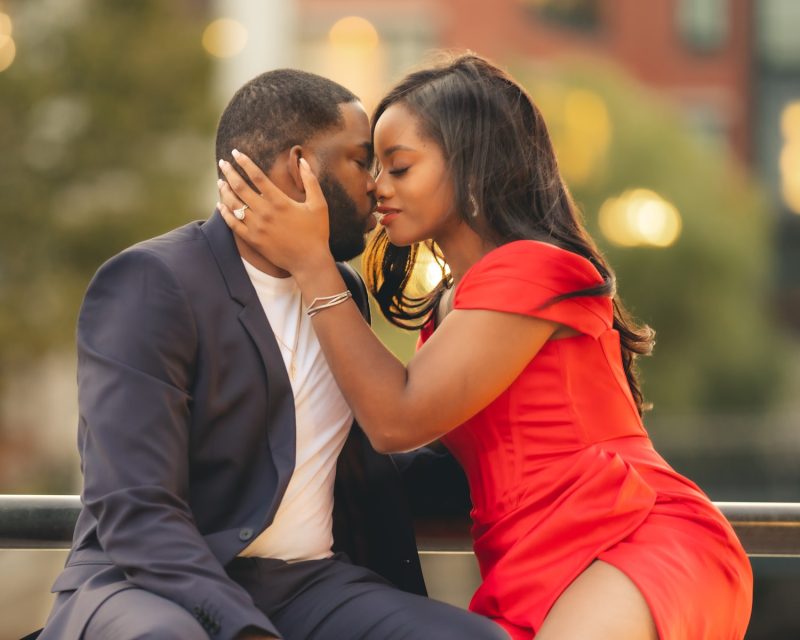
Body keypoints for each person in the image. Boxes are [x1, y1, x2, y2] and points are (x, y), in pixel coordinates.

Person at [216, 54, 754, 639]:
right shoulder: (452, 307)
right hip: (529, 562)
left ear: (472, 166)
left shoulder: (536, 269)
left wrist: (311, 264)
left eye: (399, 167)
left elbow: (396, 419)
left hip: (627, 536)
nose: (376, 187)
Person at [37, 69, 509, 640]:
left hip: (310, 587)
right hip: (150, 585)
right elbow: (136, 511)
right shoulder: (152, 283)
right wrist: (243, 628)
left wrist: (524, 459)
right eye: (363, 161)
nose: (377, 185)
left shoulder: (337, 289)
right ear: (299, 167)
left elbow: (334, 451)